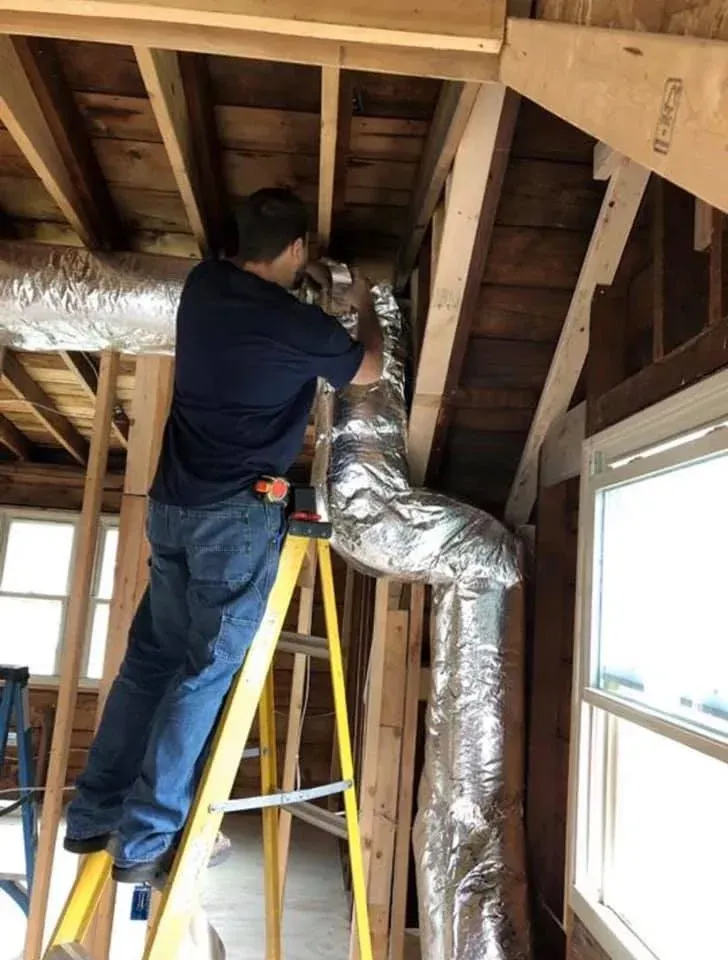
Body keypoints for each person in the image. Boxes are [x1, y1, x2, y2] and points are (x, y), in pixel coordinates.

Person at [64, 187, 383, 882]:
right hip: (233, 520)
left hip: (173, 505)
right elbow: (369, 369)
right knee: (203, 672)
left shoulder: (204, 287)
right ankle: (146, 839)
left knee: (149, 661)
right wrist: (364, 304)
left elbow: (248, 287)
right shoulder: (296, 326)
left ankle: (92, 814)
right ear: (297, 249)